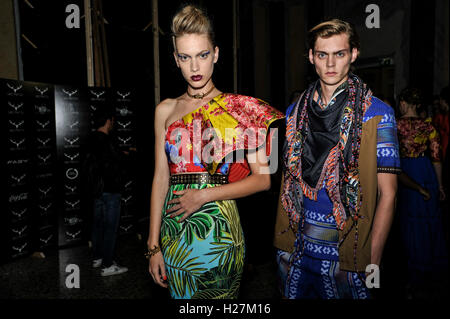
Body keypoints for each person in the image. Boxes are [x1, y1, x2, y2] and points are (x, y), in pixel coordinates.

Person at [147, 4, 284, 299]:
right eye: (185, 57)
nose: (195, 67)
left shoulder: (239, 109)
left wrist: (203, 195)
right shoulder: (165, 111)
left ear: (216, 54)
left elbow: (263, 180)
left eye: (202, 55)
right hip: (174, 230)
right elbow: (160, 178)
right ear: (176, 59)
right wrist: (153, 245)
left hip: (218, 233)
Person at [273, 19, 401, 299]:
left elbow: (388, 194)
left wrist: (373, 257)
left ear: (353, 54)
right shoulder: (295, 110)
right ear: (311, 57)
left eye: (339, 54)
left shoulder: (377, 114)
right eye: (322, 54)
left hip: (348, 250)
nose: (331, 63)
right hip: (295, 248)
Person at [396, 87, 448, 296]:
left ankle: (413, 273)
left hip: (405, 173)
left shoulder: (396, 126)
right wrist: (440, 185)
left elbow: (391, 157)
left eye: (401, 102)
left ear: (405, 103)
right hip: (425, 172)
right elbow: (436, 157)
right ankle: (429, 270)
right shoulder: (429, 127)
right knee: (428, 223)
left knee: (409, 223)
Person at [84, 108, 128, 277]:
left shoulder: (89, 139)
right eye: (112, 121)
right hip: (110, 190)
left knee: (98, 226)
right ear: (108, 121)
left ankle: (98, 257)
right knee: (110, 228)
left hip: (95, 190)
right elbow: (113, 164)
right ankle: (108, 265)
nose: (113, 124)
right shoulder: (107, 141)